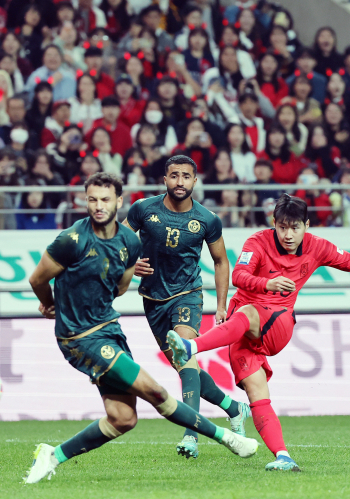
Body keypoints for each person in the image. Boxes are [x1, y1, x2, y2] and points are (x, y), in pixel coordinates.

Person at [24, 172, 258, 484]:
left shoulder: (129, 242)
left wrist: (125, 273)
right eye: (92, 199)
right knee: (156, 391)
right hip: (79, 337)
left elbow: (120, 288)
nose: (98, 206)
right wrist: (51, 303)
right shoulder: (71, 240)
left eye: (105, 199)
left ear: (118, 201)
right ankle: (227, 439)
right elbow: (37, 279)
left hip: (110, 329)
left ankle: (52, 456)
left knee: (123, 419)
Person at [167, 193, 350, 472]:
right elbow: (239, 276)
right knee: (256, 391)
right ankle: (283, 456)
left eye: (295, 227)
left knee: (246, 313)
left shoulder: (318, 247)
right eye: (282, 227)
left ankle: (191, 347)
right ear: (274, 223)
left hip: (277, 323)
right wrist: (267, 284)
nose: (288, 234)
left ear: (306, 225)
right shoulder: (257, 242)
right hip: (243, 329)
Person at [122, 155, 250, 457]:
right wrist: (129, 264)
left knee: (185, 354)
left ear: (195, 180)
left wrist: (221, 306)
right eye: (174, 176)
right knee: (185, 367)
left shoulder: (207, 219)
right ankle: (234, 408)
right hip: (153, 300)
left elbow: (221, 261)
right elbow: (120, 242)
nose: (180, 182)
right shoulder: (143, 209)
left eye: (186, 176)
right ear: (165, 179)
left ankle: (191, 435)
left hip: (188, 295)